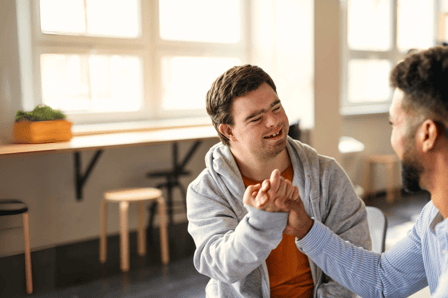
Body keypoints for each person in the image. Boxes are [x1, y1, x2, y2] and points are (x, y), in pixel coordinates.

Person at [265, 45, 448, 297]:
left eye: (393, 124)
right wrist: (306, 228)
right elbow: (383, 280)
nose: (391, 137)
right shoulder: (434, 216)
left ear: (427, 134)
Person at [186, 64, 371, 297]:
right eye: (256, 118)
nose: (274, 122)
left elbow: (356, 260)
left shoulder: (328, 174)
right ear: (228, 131)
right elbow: (222, 267)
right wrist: (261, 223)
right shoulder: (206, 190)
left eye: (276, 107)